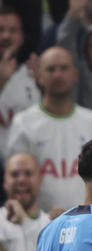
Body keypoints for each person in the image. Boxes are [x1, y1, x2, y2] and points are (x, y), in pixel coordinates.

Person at [5, 47, 92, 212]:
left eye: (64, 68)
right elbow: (16, 181)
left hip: (87, 221)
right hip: (41, 223)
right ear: (39, 76)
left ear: (75, 74)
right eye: (51, 69)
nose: (58, 74)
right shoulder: (23, 122)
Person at [0, 7, 40, 152]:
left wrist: (43, 84)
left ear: (22, 37)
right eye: (1, 30)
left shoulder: (33, 75)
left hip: (25, 165)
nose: (6, 36)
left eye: (12, 31)